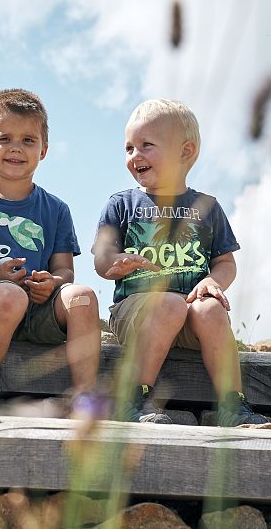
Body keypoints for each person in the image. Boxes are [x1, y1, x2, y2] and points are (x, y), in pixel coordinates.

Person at [92, 98, 268, 426]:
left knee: (210, 308)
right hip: (137, 312)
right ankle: (134, 397)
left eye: (146, 145)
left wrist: (213, 281)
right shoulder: (121, 204)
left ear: (185, 152)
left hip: (189, 318)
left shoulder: (207, 207)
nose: (134, 156)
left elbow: (225, 262)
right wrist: (113, 262)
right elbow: (101, 259)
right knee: (169, 305)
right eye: (129, 148)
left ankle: (233, 404)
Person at [0, 88, 103, 415]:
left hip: (38, 309)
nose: (16, 148)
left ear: (43, 151)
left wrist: (53, 283)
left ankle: (86, 401)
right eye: (4, 139)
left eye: (28, 140)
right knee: (9, 295)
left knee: (83, 296)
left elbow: (66, 271)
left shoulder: (56, 209)